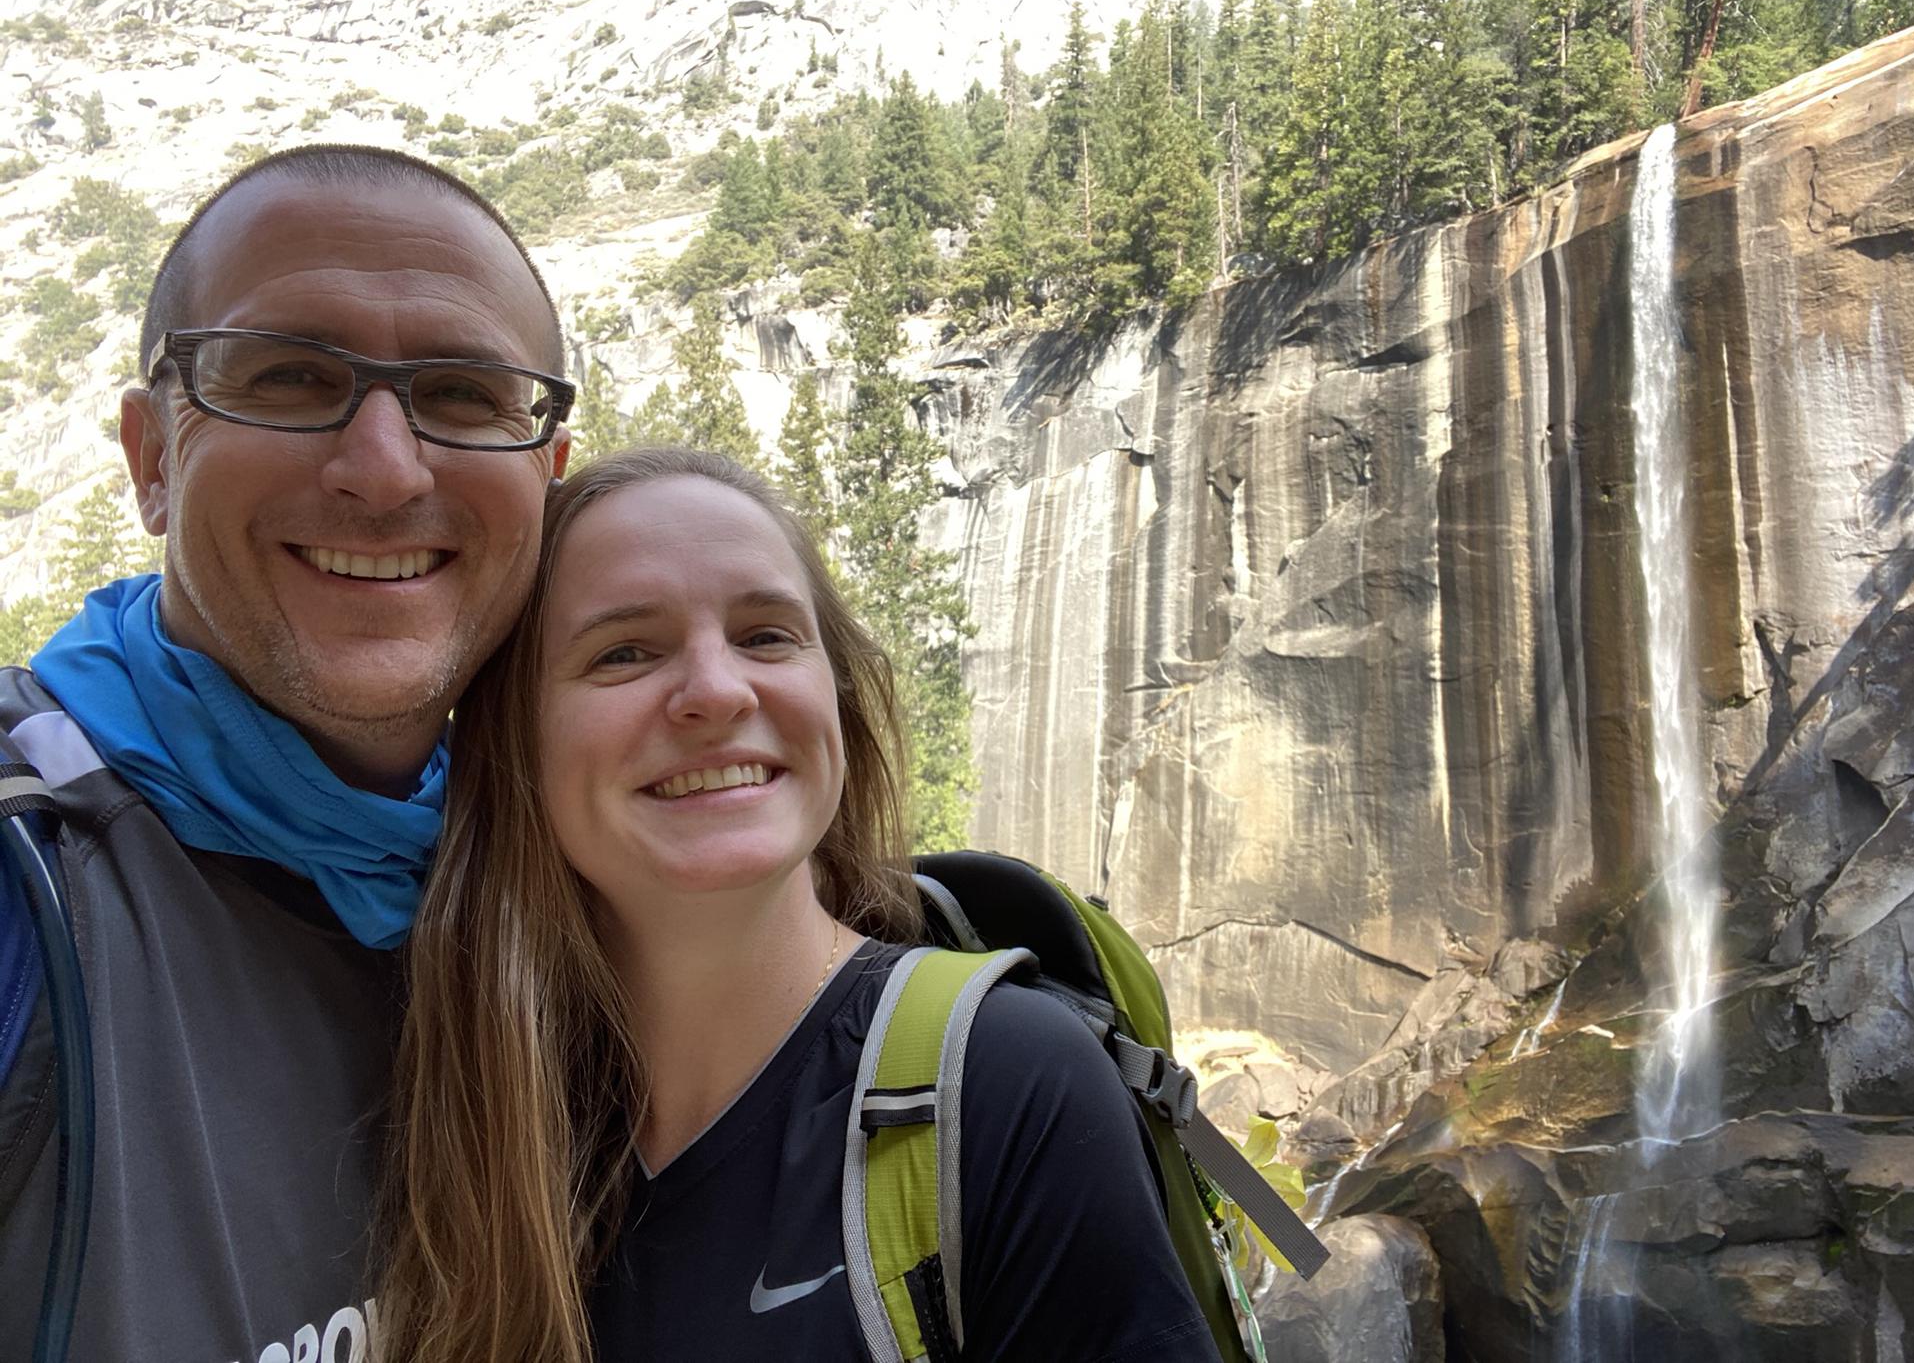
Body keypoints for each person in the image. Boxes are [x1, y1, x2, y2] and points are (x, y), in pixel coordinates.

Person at [375, 445, 1221, 1363]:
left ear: (838, 698)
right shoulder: (473, 1126)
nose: (716, 690)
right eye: (623, 651)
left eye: (767, 635)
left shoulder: (1004, 1086)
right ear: (512, 743)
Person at [0, 145, 573, 1361]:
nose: (381, 468)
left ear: (547, 475)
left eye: (467, 394)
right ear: (154, 458)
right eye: (290, 376)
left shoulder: (577, 890)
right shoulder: (26, 877)